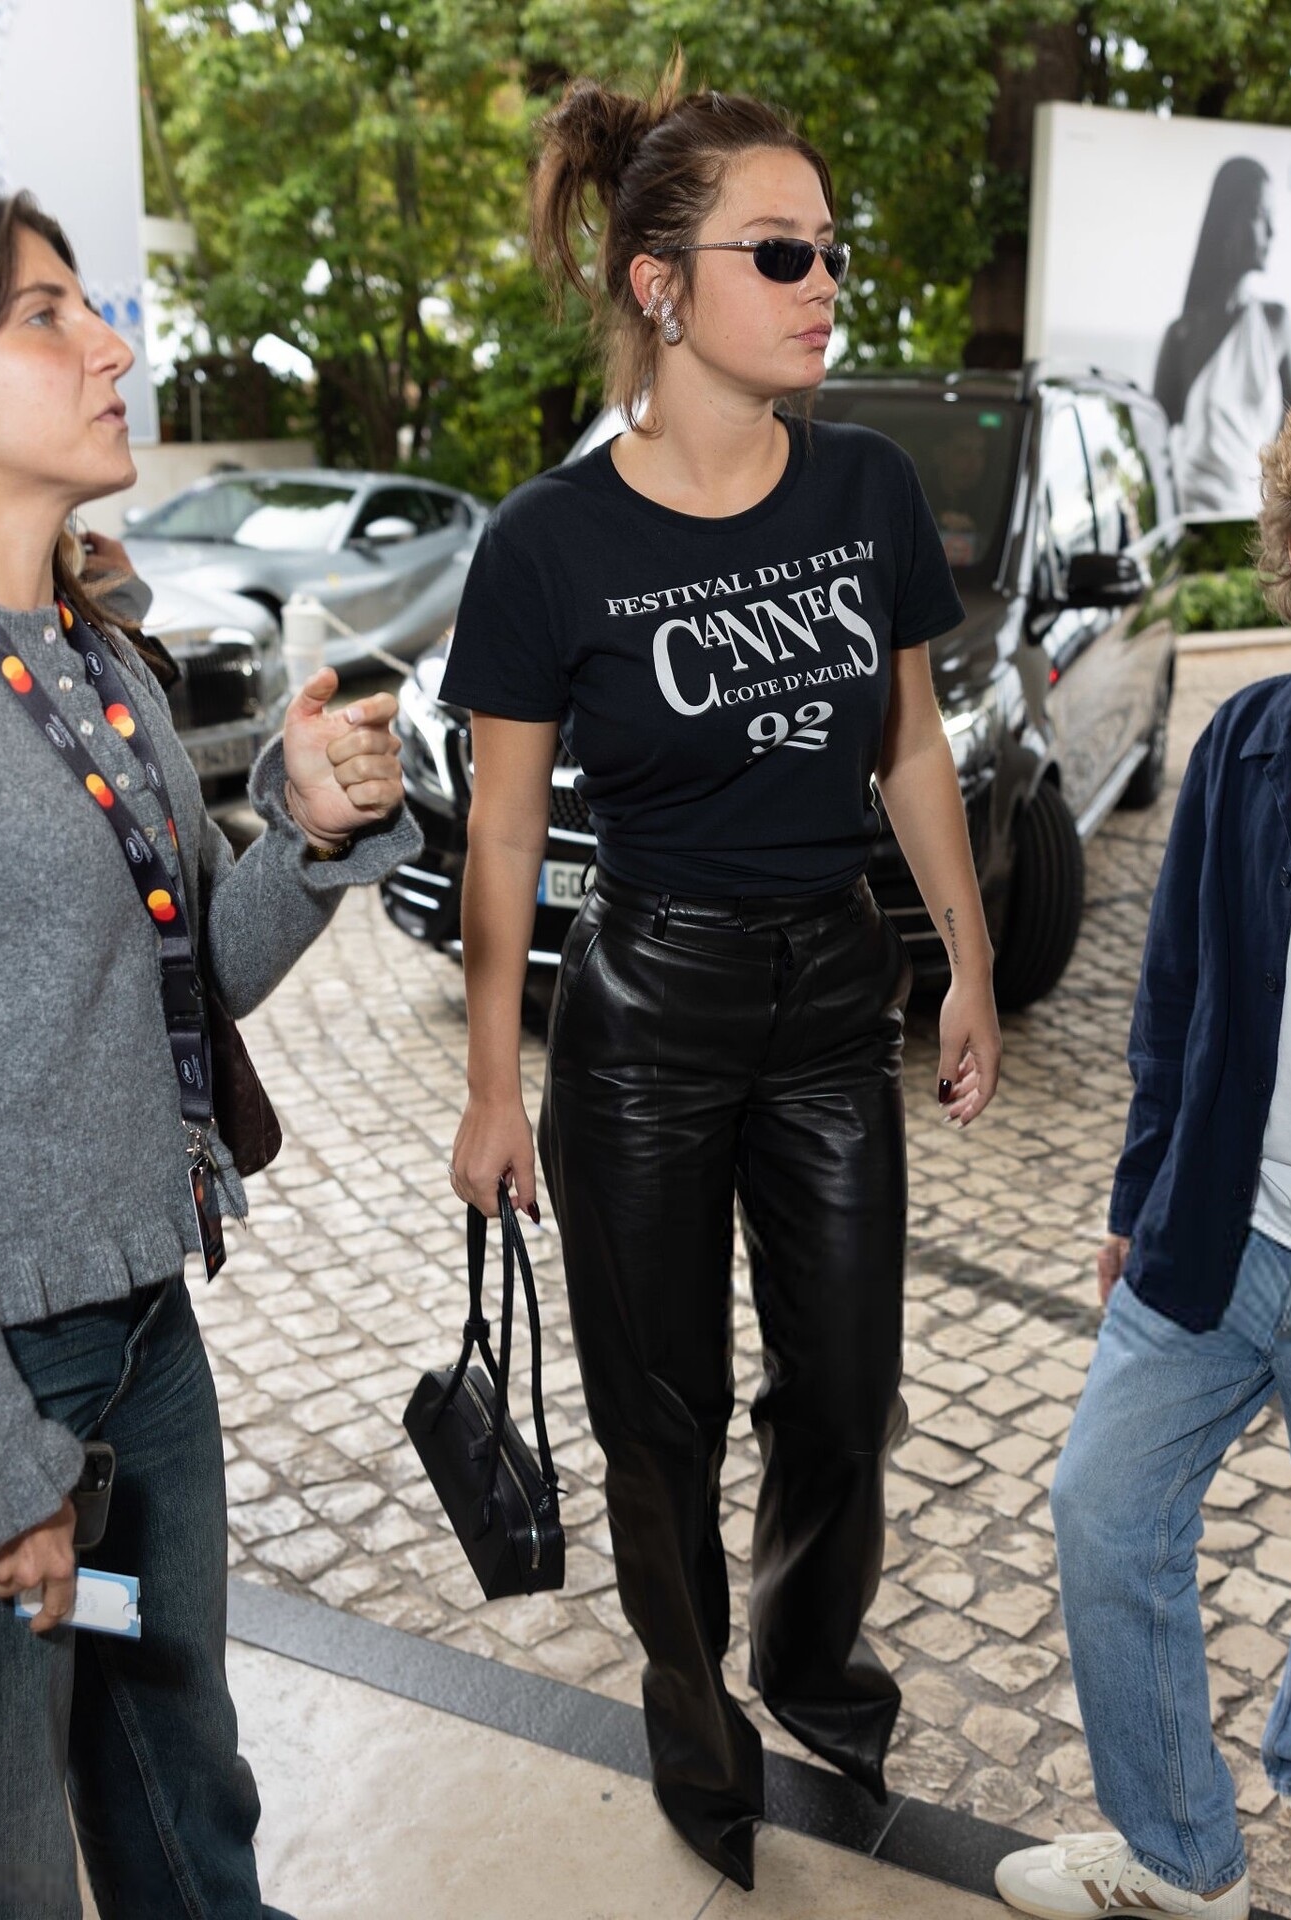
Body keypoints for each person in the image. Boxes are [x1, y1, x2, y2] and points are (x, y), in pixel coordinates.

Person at [443, 60, 1000, 1892]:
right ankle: (698, 1732)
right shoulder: (547, 543)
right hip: (645, 1023)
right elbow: (503, 840)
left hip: (835, 995)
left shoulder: (862, 487)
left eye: (831, 248)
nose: (824, 282)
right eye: (782, 252)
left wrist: (966, 963)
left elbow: (908, 745)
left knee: (844, 1392)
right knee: (655, 1414)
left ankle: (811, 1660)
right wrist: (493, 1087)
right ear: (659, 283)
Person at [0, 189, 418, 1918]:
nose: (110, 346)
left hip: (142, 1339)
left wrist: (305, 836)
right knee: (16, 1851)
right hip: (12, 1379)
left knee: (179, 1767)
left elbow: (177, 991)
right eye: (44, 314)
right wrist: (3, 1467)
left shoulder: (98, 659)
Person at [995, 366, 1291, 1920]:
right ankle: (1180, 1854)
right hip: (1223, 1239)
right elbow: (1172, 997)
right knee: (1102, 1515)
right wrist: (1137, 1198)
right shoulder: (1247, 741)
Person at [1153, 156, 1291, 517]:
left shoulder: (1275, 324)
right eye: (1259, 215)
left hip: (1257, 522)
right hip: (1189, 521)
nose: (1272, 231)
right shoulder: (1181, 335)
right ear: (1227, 222)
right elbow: (1153, 448)